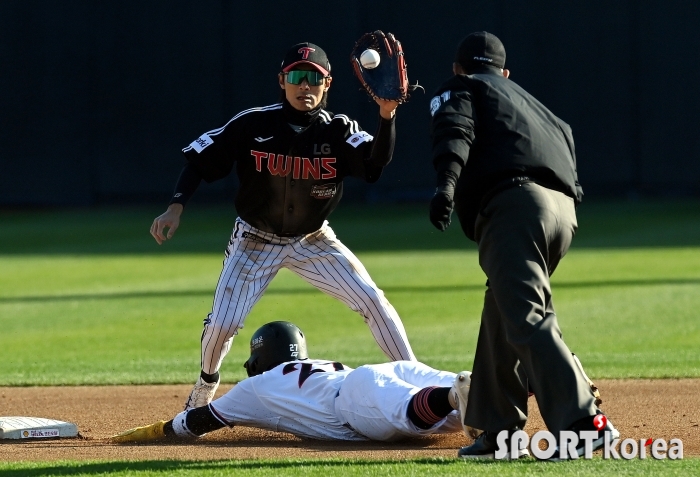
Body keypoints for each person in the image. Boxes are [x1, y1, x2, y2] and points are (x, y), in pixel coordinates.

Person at [149, 42, 417, 411]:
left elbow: (373, 165)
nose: (304, 86)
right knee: (223, 325)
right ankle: (206, 385)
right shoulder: (252, 123)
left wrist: (387, 116)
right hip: (254, 240)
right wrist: (175, 208)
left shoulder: (338, 130)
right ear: (282, 80)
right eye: (296, 76)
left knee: (372, 301)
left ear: (327, 84)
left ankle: (416, 380)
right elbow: (199, 159)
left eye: (314, 78)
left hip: (313, 239)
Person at [427, 32, 619, 459]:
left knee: (525, 315)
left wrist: (446, 186)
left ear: (458, 68)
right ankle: (499, 432)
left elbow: (454, 131)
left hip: (514, 207)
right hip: (563, 213)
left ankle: (585, 424)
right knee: (501, 311)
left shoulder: (462, 87)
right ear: (505, 73)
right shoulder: (539, 107)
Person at [111, 321, 472, 443]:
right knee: (461, 397)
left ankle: (456, 398)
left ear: (260, 358)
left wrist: (143, 434)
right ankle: (504, 387)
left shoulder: (255, 387)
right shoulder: (318, 365)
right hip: (388, 371)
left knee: (410, 413)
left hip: (352, 398)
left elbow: (194, 423)